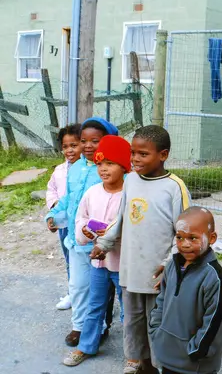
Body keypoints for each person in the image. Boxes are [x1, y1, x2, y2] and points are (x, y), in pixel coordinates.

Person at [95, 125, 191, 374]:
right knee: (133, 323)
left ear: (163, 154)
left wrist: (170, 263)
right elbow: (122, 217)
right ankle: (143, 366)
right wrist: (104, 243)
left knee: (157, 324)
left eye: (143, 154)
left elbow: (184, 232)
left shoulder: (174, 187)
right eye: (133, 153)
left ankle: (160, 368)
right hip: (130, 270)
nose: (135, 160)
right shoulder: (132, 180)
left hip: (157, 274)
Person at [45, 117, 119, 347]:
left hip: (102, 245)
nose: (87, 146)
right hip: (76, 241)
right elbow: (69, 198)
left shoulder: (112, 170)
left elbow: (114, 207)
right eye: (83, 141)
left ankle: (100, 327)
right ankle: (78, 326)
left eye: (94, 141)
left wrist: (96, 231)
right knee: (77, 286)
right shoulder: (76, 168)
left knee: (101, 290)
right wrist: (55, 216)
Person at [63, 135, 131, 366]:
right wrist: (87, 231)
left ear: (124, 166)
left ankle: (133, 356)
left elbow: (134, 225)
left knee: (128, 311)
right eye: (100, 163)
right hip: (97, 263)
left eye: (110, 163)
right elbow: (80, 218)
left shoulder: (130, 195)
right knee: (95, 305)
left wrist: (112, 236)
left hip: (123, 263)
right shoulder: (92, 192)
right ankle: (87, 346)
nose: (103, 169)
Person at [149, 207, 222, 374]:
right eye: (179, 237)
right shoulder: (173, 266)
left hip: (195, 366)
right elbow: (161, 300)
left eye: (193, 238)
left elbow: (214, 324)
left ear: (212, 238)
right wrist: (156, 331)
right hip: (167, 357)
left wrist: (196, 351)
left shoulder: (215, 279)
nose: (185, 244)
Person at [46, 123, 82, 310]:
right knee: (69, 259)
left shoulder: (89, 170)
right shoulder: (60, 171)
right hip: (65, 223)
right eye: (66, 146)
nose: (69, 150)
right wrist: (53, 208)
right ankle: (72, 292)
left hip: (82, 224)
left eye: (74, 145)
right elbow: (51, 189)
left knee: (85, 261)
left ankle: (88, 294)